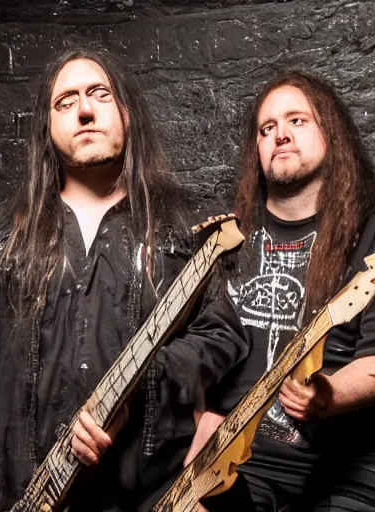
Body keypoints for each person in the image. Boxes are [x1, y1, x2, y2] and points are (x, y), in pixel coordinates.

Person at [0, 48, 252, 512]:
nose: (84, 110)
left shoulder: (181, 229)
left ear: (125, 113)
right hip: (23, 498)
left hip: (147, 497)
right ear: (47, 128)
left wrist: (150, 375)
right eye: (65, 101)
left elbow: (223, 335)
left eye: (99, 94)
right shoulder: (8, 238)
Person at [196, 70, 375, 511]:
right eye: (267, 128)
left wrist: (328, 395)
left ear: (329, 132)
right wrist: (198, 418)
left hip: (340, 477)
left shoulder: (369, 231)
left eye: (297, 120)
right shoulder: (226, 240)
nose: (280, 134)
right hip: (239, 470)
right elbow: (191, 347)